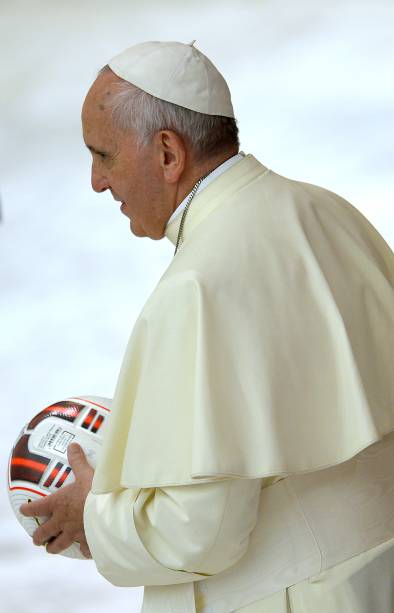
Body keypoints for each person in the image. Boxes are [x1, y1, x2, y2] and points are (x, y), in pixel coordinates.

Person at [20, 40, 394, 613]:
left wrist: (94, 514)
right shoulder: (331, 211)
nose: (96, 182)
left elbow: (198, 533)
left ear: (168, 153)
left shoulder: (196, 288)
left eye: (103, 156)